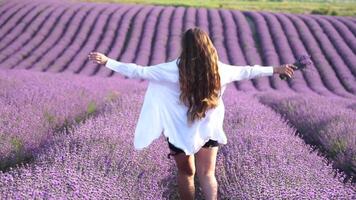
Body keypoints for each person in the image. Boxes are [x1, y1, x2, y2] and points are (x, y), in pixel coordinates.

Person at [88, 27, 295, 200]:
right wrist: (276, 69)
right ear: (209, 46)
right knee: (207, 174)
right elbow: (248, 71)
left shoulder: (172, 69)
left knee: (186, 173)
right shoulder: (220, 70)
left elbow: (138, 71)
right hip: (208, 130)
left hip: (180, 132)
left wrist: (108, 61)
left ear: (185, 48)